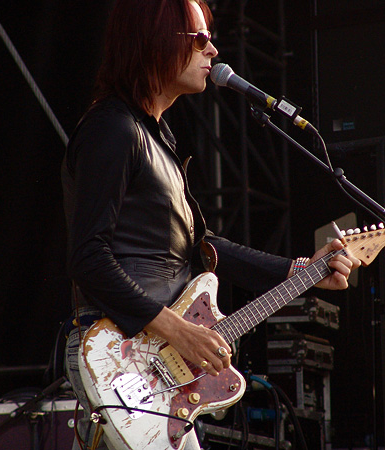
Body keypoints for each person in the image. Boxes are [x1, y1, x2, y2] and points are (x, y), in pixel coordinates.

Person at [61, 0, 361, 448]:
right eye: (200, 39)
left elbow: (204, 248)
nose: (214, 51)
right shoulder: (112, 129)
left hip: (157, 366)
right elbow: (88, 257)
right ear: (155, 42)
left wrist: (300, 272)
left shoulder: (156, 136)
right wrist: (177, 329)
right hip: (123, 356)